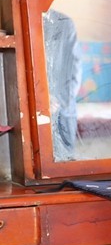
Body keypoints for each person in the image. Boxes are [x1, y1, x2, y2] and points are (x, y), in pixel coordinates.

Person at [43, 9, 83, 161]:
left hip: (63, 107)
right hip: (34, 109)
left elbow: (75, 68)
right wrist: (41, 100)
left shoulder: (64, 23)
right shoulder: (19, 21)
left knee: (66, 162)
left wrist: (58, 100)